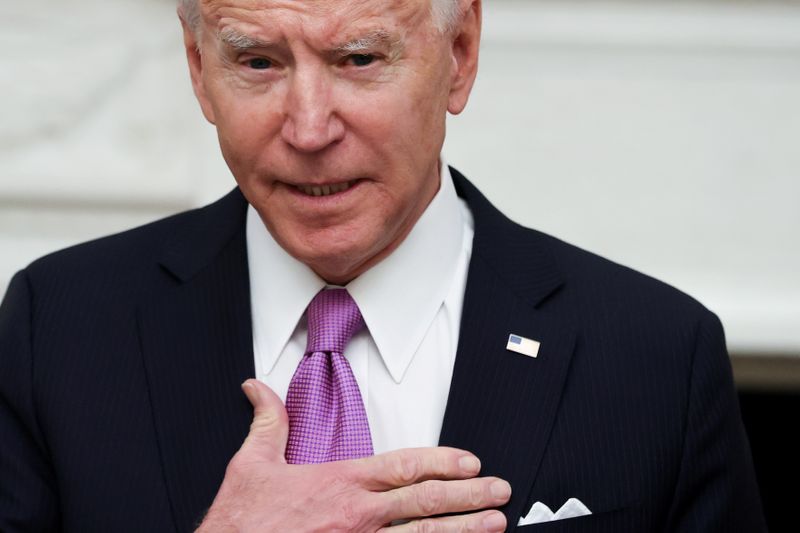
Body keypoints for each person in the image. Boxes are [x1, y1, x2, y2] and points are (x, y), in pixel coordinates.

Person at [0, 0, 766, 531]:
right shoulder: (59, 325)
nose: (306, 126)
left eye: (359, 58)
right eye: (258, 61)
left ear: (460, 53)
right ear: (199, 68)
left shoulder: (655, 354)